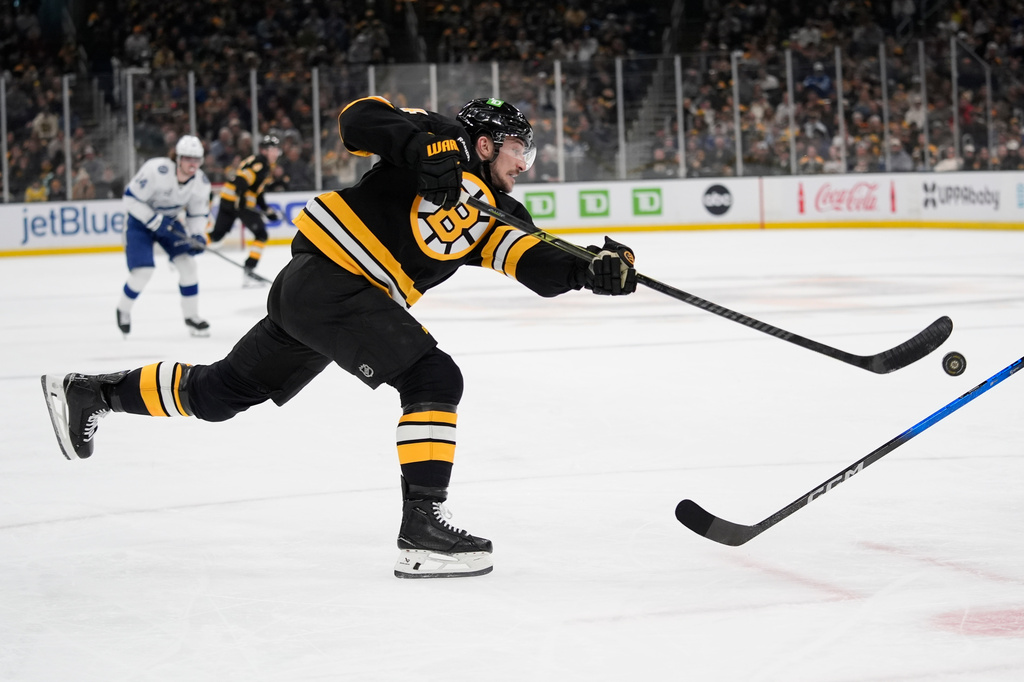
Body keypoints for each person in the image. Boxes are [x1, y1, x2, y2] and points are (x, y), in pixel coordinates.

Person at [41, 97, 637, 579]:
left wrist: (590, 269)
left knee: (220, 394)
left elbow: (533, 259)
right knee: (433, 377)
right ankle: (422, 527)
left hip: (326, 299)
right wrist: (421, 146)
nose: (523, 163)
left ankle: (93, 392)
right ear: (484, 143)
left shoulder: (497, 212)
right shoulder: (438, 136)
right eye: (517, 150)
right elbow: (358, 119)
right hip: (331, 280)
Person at [115, 134, 212, 337]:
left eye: (196, 160)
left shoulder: (201, 183)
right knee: (143, 271)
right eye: (187, 158)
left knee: (188, 265)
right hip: (139, 223)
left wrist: (197, 235)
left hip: (169, 223)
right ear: (177, 158)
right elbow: (130, 199)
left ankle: (191, 316)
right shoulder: (155, 170)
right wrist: (153, 220)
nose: (192, 164)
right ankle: (123, 309)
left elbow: (197, 213)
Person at [206, 134, 283, 285]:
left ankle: (187, 245)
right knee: (261, 234)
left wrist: (266, 210)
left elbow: (257, 191)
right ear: (264, 150)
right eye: (272, 149)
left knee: (217, 235)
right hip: (237, 202)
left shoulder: (263, 164)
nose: (275, 153)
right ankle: (249, 271)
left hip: (228, 199)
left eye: (276, 149)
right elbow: (241, 179)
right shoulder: (261, 163)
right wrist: (241, 200)